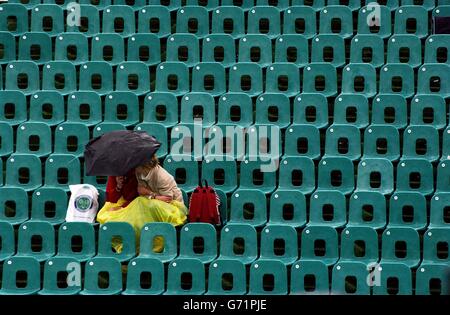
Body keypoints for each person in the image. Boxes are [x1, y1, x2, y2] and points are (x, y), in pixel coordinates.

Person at [96, 155, 187, 252]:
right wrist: (119, 186)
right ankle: (130, 248)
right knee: (112, 218)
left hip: (167, 205)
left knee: (140, 208)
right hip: (144, 202)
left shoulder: (161, 176)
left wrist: (149, 195)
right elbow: (113, 198)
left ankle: (145, 247)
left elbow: (167, 199)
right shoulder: (132, 172)